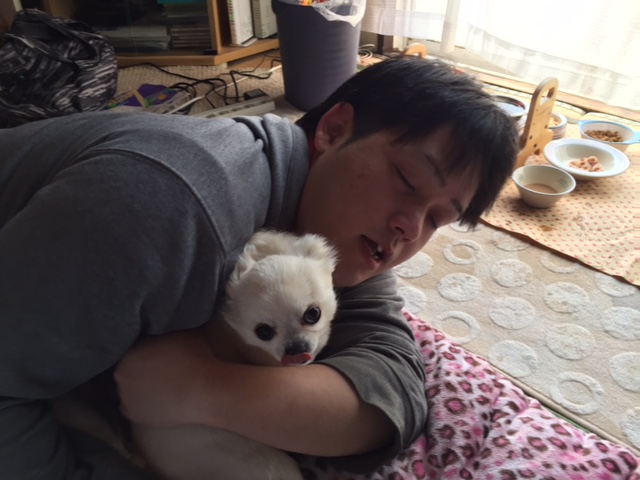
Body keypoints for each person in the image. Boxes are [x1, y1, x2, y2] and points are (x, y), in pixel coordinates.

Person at [0, 56, 519, 479]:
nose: (410, 226)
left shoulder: (332, 242)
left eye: (437, 219)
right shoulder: (168, 207)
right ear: (334, 130)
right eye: (407, 180)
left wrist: (201, 389)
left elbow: (392, 385)